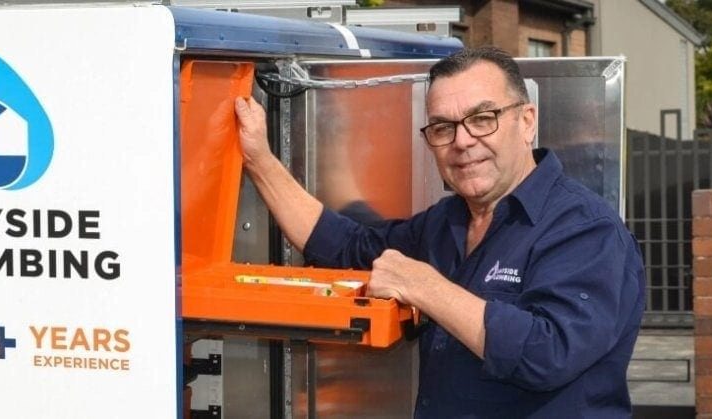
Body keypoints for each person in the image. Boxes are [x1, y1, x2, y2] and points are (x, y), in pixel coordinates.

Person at [233, 47, 646, 418]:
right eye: (443, 127)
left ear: (526, 122)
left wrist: (425, 287)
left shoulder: (585, 229)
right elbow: (344, 247)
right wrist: (259, 160)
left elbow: (547, 353)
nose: (462, 141)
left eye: (482, 119)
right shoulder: (445, 223)